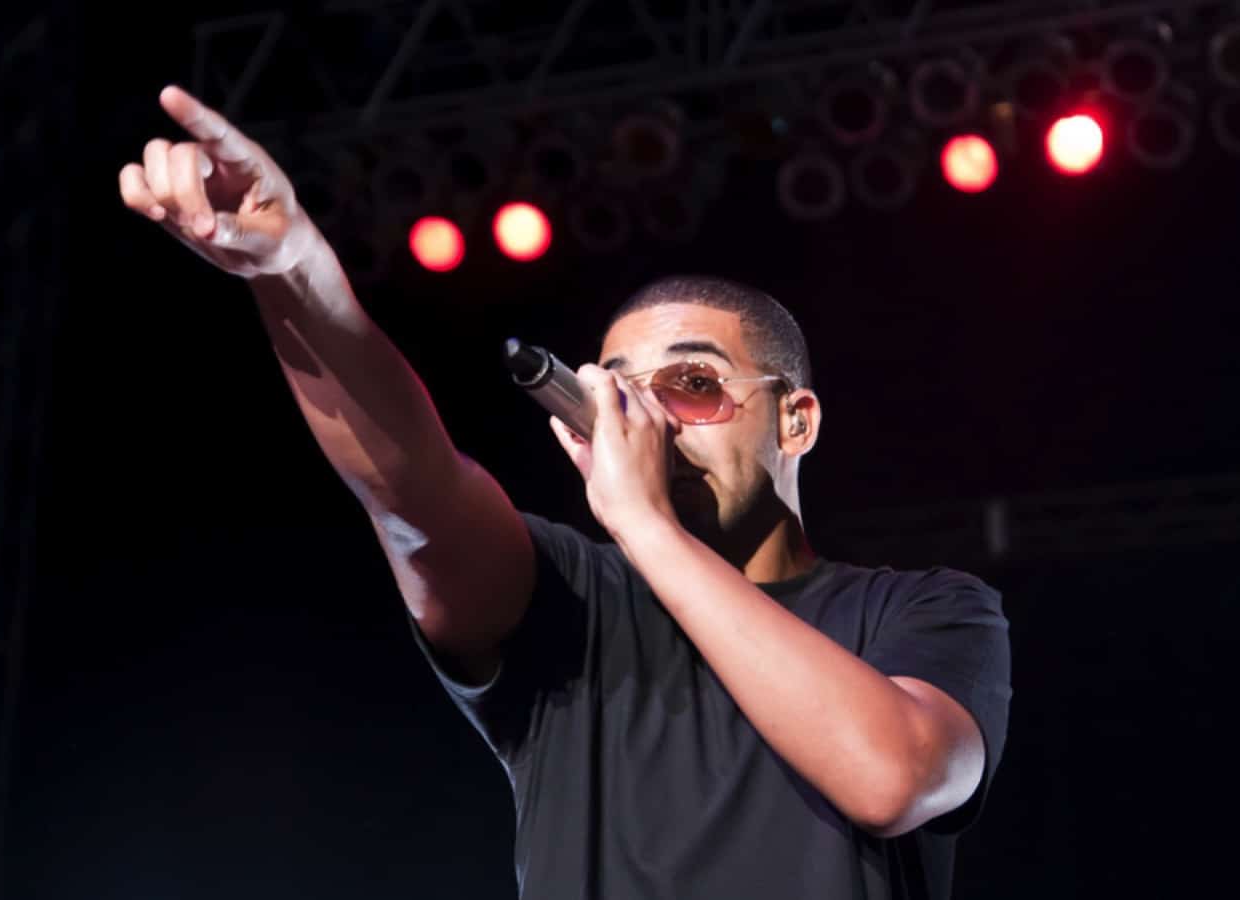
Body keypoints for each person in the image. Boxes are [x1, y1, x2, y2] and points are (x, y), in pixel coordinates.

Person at [118, 85, 1012, 900]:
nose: (651, 424)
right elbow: (408, 485)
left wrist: (644, 524)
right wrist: (293, 267)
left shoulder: (926, 610)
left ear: (796, 422)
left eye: (692, 385)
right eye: (621, 395)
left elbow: (891, 775)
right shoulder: (568, 603)